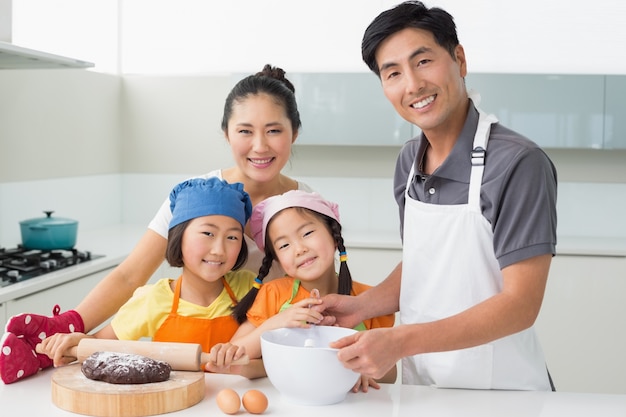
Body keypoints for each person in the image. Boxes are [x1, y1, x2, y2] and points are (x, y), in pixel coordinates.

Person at [0, 64, 311, 384]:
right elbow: (130, 274)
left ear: (295, 132)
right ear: (226, 133)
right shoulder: (196, 196)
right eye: (245, 131)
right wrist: (73, 326)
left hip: (272, 360)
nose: (260, 146)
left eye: (274, 130)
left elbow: (318, 289)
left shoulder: (307, 206)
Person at [318, 1, 558, 391]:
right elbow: (427, 265)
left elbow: (520, 305)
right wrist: (363, 307)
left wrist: (399, 341)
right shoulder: (409, 162)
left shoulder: (518, 163)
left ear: (459, 59)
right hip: (423, 389)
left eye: (423, 61)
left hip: (503, 394)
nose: (412, 85)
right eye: (393, 73)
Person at [38, 177, 266, 378]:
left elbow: (267, 359)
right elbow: (100, 345)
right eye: (208, 233)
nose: (219, 249)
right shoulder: (152, 299)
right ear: (179, 237)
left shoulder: (250, 288)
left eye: (232, 237)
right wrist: (77, 343)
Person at [229, 190, 397, 392]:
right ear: (278, 261)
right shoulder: (272, 295)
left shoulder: (369, 299)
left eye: (307, 233)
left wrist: (365, 368)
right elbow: (235, 354)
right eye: (284, 245)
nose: (299, 249)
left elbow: (391, 374)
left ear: (335, 237)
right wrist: (277, 322)